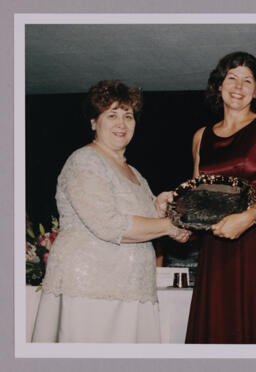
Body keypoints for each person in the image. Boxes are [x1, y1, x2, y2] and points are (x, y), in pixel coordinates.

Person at [31, 80, 190, 343]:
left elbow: (146, 220)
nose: (122, 123)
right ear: (94, 122)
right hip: (91, 289)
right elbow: (109, 225)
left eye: (128, 116)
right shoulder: (84, 161)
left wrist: (161, 208)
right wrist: (169, 227)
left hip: (133, 289)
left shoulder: (136, 174)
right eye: (112, 115)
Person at [185, 51, 256, 344]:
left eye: (247, 80)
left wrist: (249, 218)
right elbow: (199, 195)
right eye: (231, 78)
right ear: (219, 85)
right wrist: (172, 203)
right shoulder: (201, 136)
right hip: (217, 245)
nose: (238, 87)